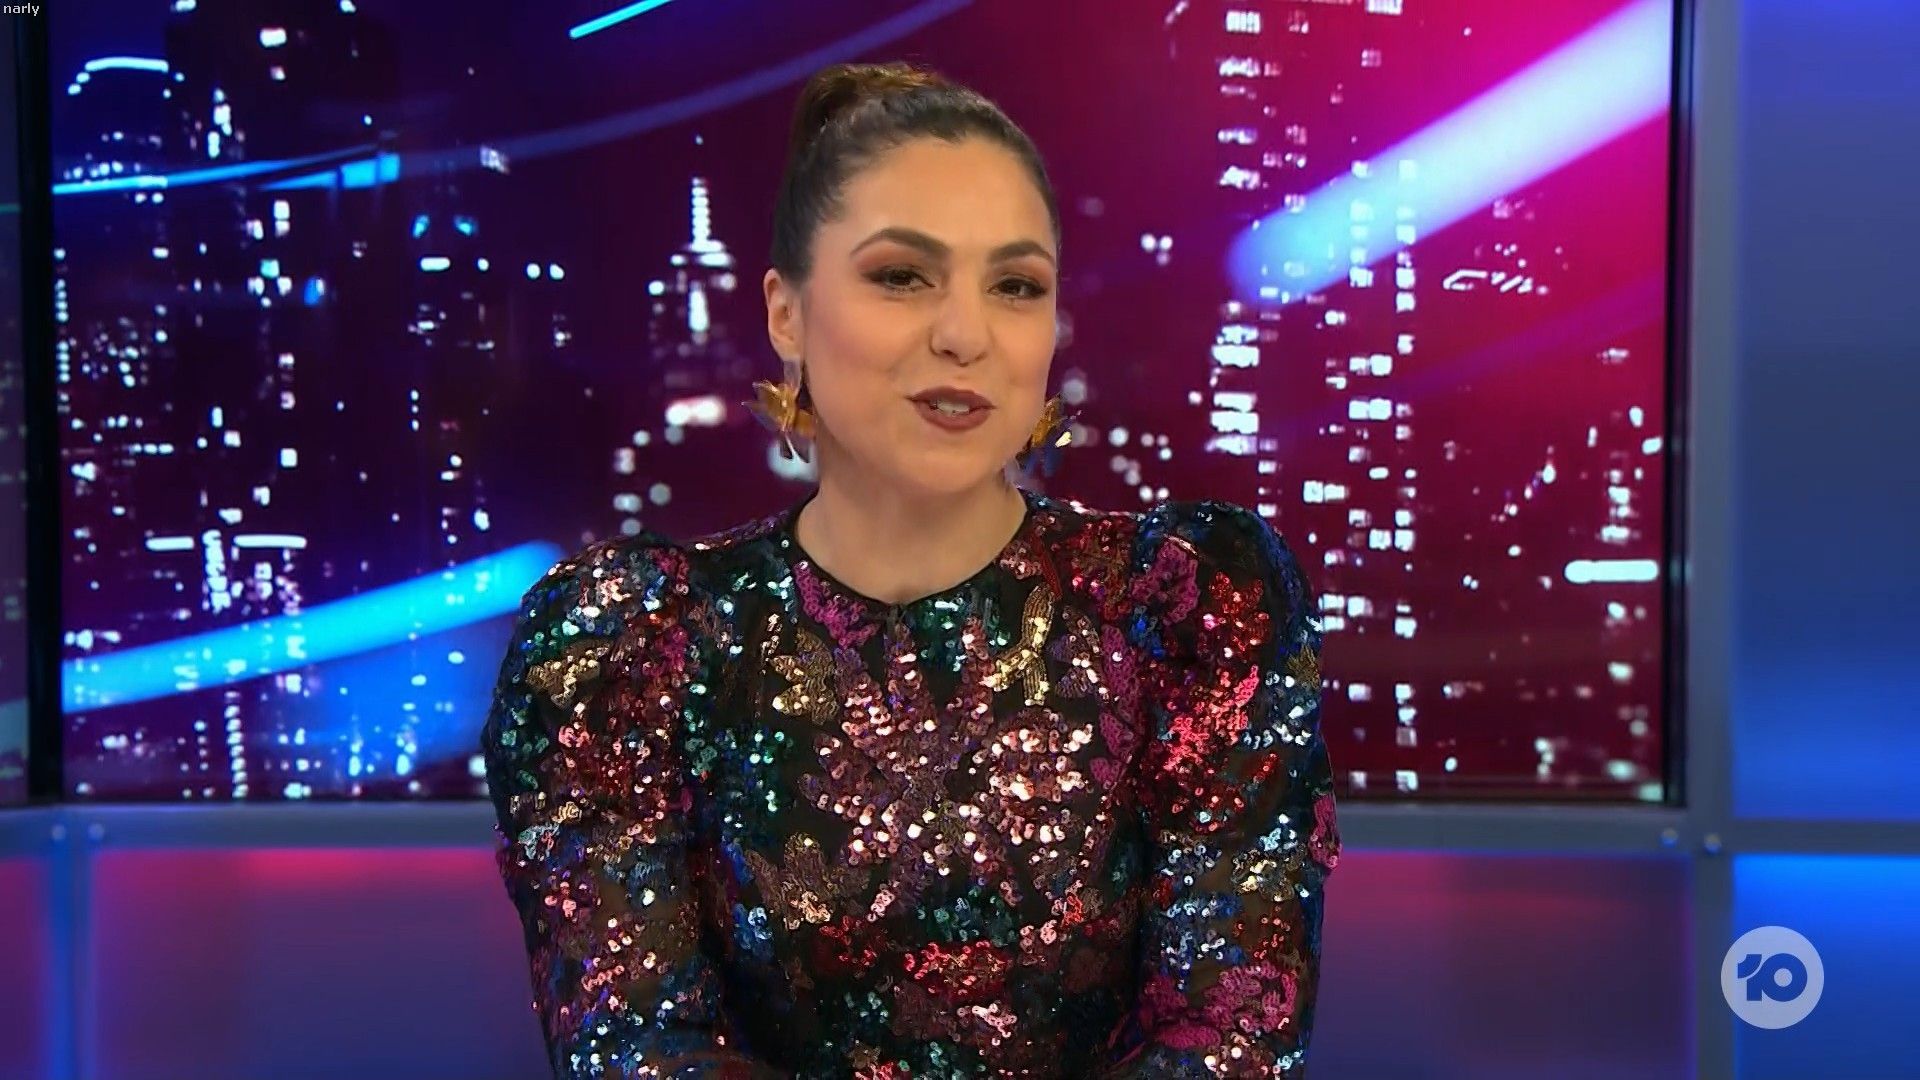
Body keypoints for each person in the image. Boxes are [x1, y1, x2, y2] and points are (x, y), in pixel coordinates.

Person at [480, 60, 1341, 1079]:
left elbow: (1228, 1033)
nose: (965, 334)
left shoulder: (1183, 607)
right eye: (901, 276)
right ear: (786, 312)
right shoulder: (637, 645)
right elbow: (638, 1047)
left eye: (1015, 286)